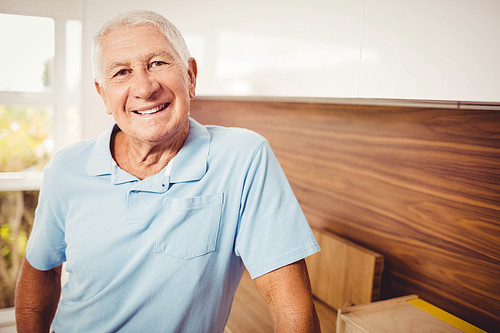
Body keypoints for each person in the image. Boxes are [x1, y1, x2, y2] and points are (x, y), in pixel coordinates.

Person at [15, 10, 321, 333]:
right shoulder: (65, 169)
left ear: (190, 76)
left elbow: (292, 309)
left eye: (158, 63)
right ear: (103, 94)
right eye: (121, 72)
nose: (144, 88)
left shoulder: (244, 159)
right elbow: (42, 271)